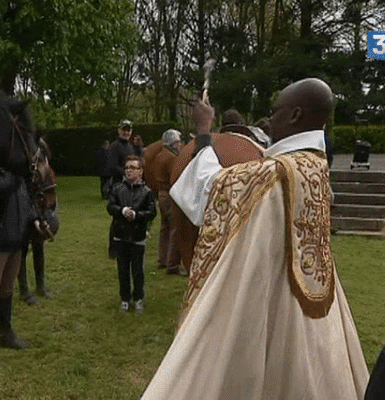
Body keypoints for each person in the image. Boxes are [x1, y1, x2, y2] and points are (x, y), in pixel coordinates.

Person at [142, 78, 368, 399]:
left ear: (294, 115)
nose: (270, 118)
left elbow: (209, 189)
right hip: (309, 309)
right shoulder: (315, 164)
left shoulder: (275, 174)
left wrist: (205, 130)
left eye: (275, 111)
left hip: (268, 306)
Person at [0, 168, 39, 369]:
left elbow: (25, 201)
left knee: (7, 290)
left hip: (17, 240)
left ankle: (6, 333)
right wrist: (19, 175)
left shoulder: (16, 176)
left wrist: (36, 219)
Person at [107, 155, 156, 312]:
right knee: (122, 270)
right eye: (127, 167)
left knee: (137, 270)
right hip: (120, 235)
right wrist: (122, 211)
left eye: (133, 168)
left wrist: (137, 215)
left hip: (137, 236)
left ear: (140, 172)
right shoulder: (118, 188)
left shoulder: (146, 192)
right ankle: (125, 299)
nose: (129, 170)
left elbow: (152, 212)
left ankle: (138, 298)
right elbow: (110, 206)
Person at [153, 129, 185, 275]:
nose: (180, 145)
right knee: (174, 228)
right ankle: (172, 265)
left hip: (161, 194)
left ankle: (163, 259)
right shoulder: (171, 158)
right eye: (178, 142)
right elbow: (176, 176)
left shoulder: (159, 155)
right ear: (173, 142)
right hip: (169, 194)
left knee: (164, 227)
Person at [107, 119, 135, 258]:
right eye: (124, 129)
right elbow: (112, 166)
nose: (126, 132)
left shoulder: (130, 146)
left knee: (128, 216)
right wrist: (126, 173)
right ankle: (113, 249)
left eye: (128, 130)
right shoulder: (114, 146)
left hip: (129, 185)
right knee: (118, 216)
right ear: (119, 130)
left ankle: (125, 245)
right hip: (118, 185)